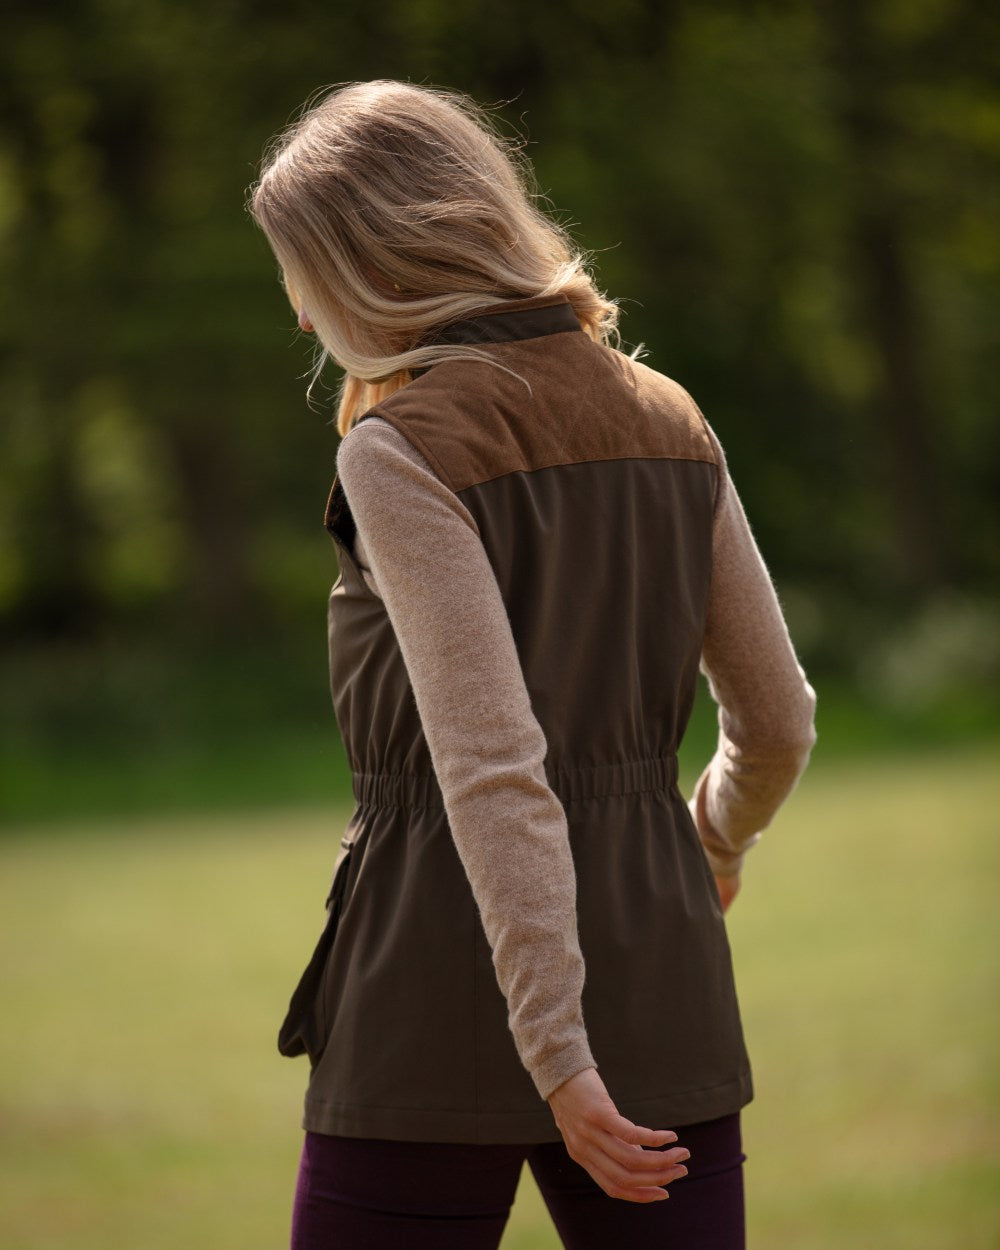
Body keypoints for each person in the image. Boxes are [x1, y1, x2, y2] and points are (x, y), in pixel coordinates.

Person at [249, 79, 817, 1250]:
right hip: (654, 965)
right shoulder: (670, 414)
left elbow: (495, 765)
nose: (302, 318)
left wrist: (555, 1051)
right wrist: (710, 845)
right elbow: (778, 719)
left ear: (368, 265)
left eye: (301, 277)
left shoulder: (399, 447)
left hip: (429, 984)